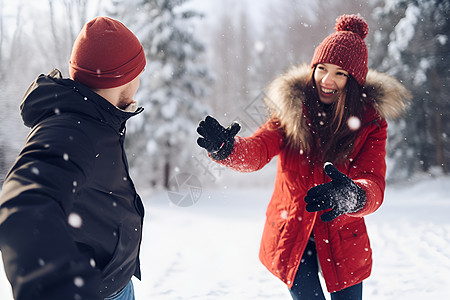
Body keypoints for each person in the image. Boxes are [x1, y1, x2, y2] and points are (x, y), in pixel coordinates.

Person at [197, 14, 411, 299]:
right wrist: (228, 149)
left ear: (354, 80)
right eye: (321, 68)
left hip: (342, 234)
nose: (326, 79)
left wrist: (354, 196)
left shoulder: (371, 123)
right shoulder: (292, 108)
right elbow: (259, 149)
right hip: (291, 232)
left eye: (339, 73)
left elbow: (373, 182)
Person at [0, 16, 146, 300]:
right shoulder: (72, 129)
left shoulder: (96, 119)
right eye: (139, 70)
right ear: (123, 77)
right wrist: (58, 288)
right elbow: (23, 204)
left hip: (114, 283)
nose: (141, 79)